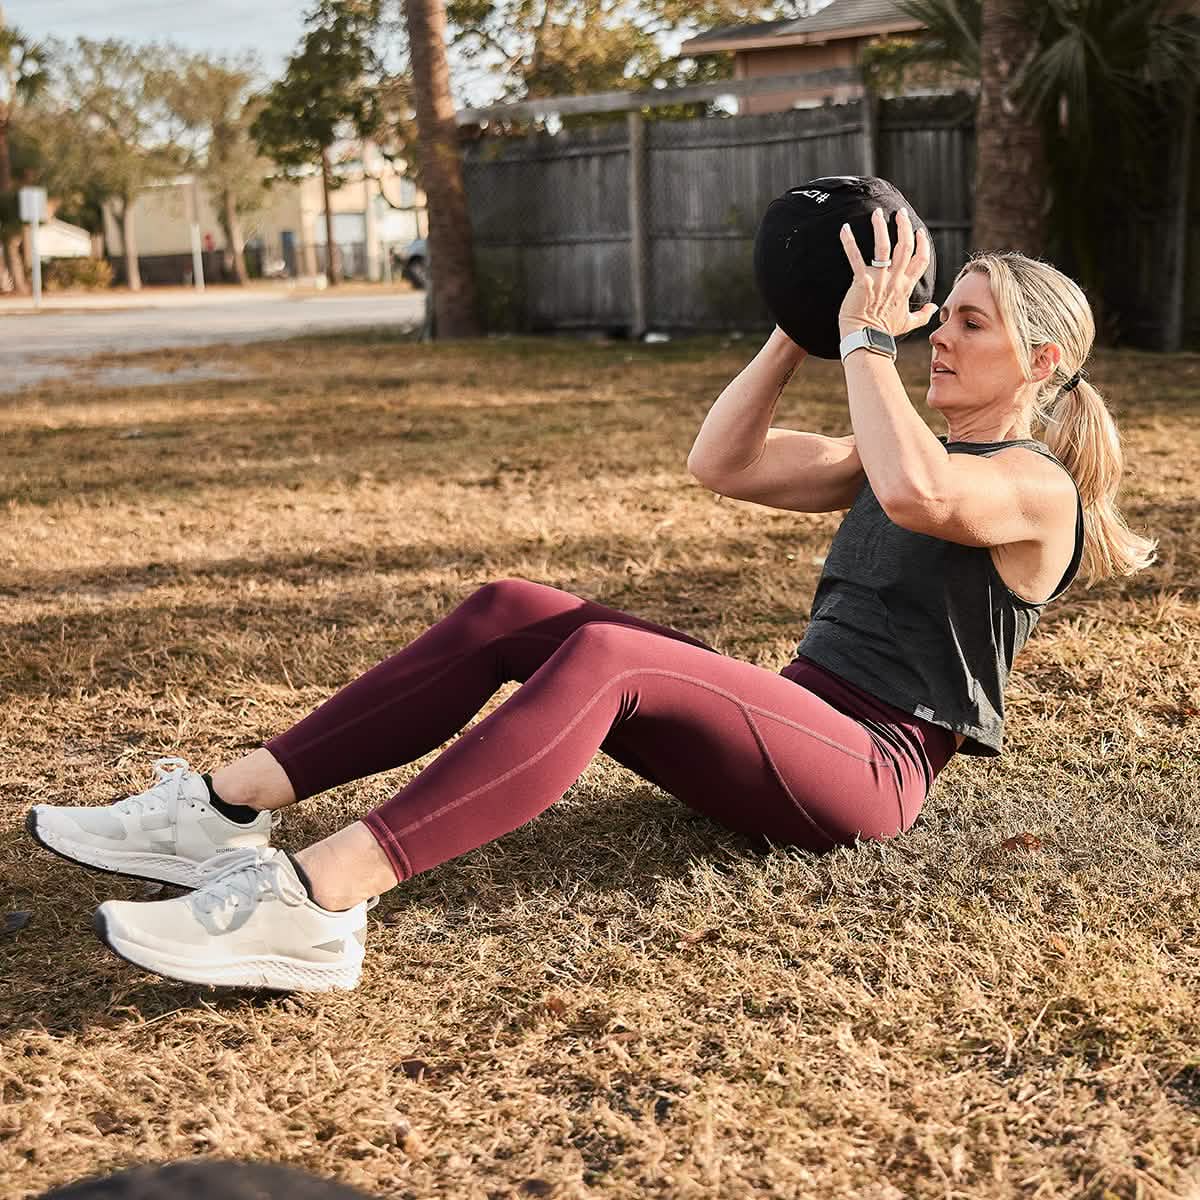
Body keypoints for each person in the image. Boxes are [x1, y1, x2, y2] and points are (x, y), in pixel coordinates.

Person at [26, 209, 1155, 992]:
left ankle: (318, 906)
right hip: (788, 722)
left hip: (867, 774)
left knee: (614, 658)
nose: (938, 334)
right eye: (940, 312)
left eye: (968, 321)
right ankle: (221, 809)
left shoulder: (1031, 487)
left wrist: (867, 339)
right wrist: (803, 325)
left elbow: (922, 493)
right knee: (516, 606)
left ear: (1043, 362)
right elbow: (722, 462)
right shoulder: (883, 447)